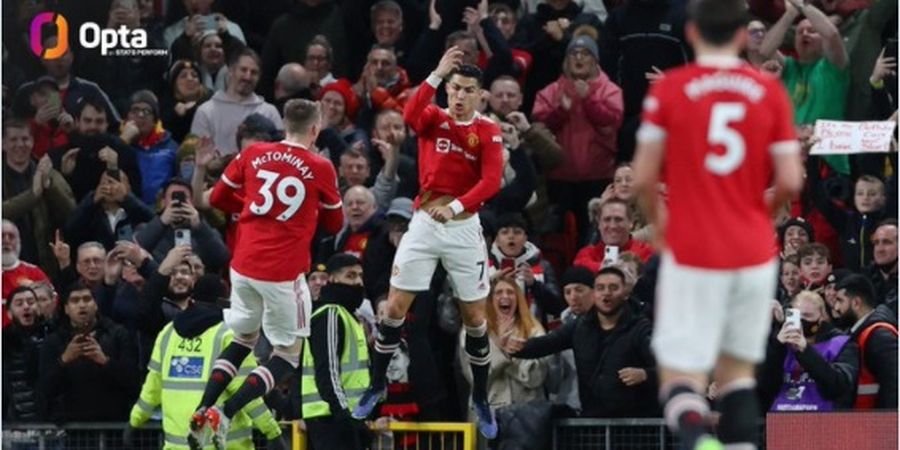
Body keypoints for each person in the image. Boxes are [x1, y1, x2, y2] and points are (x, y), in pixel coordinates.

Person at [631, 0, 804, 448]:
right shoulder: (768, 91)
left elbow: (644, 178)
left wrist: (662, 230)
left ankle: (696, 439)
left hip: (693, 244)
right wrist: (755, 217)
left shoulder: (670, 88)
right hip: (751, 248)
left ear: (691, 32)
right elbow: (790, 178)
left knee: (679, 372)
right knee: (737, 376)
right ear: (745, 35)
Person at [352, 47, 504, 439]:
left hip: (463, 227)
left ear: (479, 95)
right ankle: (376, 384)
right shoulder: (433, 118)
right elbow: (407, 116)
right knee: (394, 310)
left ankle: (482, 398)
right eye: (454, 88)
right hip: (423, 223)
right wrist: (435, 73)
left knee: (475, 319)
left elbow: (490, 182)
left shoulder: (487, 130)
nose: (458, 96)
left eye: (467, 90)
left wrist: (454, 207)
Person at [189, 99, 344, 447]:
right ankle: (226, 412)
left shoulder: (254, 153)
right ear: (315, 129)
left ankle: (203, 407)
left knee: (244, 340)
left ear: (284, 126)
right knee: (287, 355)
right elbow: (335, 223)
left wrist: (251, 208)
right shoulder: (320, 166)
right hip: (283, 271)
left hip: (243, 264)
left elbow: (217, 199)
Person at [128, 274, 284, 450]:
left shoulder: (168, 334)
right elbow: (247, 393)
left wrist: (135, 420)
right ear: (224, 300)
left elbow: (153, 386)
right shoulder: (230, 335)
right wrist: (272, 432)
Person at [507, 266, 658, 418]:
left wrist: (646, 374)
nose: (606, 293)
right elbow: (548, 343)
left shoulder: (640, 327)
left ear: (625, 293)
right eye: (600, 288)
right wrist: (519, 347)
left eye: (613, 288)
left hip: (636, 426)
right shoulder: (580, 326)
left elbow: (668, 368)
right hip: (592, 423)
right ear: (594, 294)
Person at [460, 278, 548, 447]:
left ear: (519, 299)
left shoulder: (534, 330)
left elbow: (536, 377)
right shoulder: (472, 332)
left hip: (527, 418)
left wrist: (511, 355)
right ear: (490, 299)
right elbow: (474, 377)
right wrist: (500, 351)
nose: (505, 296)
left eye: (510, 292)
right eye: (499, 292)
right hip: (488, 417)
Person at [38, 282, 139, 422]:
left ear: (96, 305)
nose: (82, 305)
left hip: (113, 423)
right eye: (75, 301)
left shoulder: (118, 334)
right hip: (71, 426)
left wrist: (105, 361)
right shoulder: (54, 341)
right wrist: (64, 360)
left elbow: (133, 383)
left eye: (87, 299)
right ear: (66, 309)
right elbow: (45, 390)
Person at [301, 254, 370, 450]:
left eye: (360, 275)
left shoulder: (349, 316)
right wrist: (345, 418)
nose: (357, 282)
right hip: (331, 417)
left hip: (346, 415)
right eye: (350, 276)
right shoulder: (330, 314)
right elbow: (327, 373)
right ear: (332, 279)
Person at [761, 291, 858, 411]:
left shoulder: (842, 343)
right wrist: (776, 347)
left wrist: (805, 350)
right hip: (780, 421)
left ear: (822, 316)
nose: (802, 321)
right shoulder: (781, 344)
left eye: (808, 316)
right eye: (798, 316)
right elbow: (764, 388)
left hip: (824, 421)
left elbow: (839, 387)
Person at [2, 119, 76, 277]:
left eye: (25, 139)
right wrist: (33, 195)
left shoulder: (49, 174)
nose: (20, 144)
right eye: (13, 140)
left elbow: (71, 213)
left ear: (32, 142)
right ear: (3, 144)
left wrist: (49, 185)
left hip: (44, 264)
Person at [190, 49, 283, 155]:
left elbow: (279, 154)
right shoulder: (205, 111)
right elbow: (198, 154)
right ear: (231, 71)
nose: (248, 77)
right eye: (243, 70)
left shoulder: (269, 112)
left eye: (254, 72)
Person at [831, 274, 898, 409]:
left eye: (840, 300)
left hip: (877, 423)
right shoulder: (860, 332)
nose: (836, 308)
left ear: (856, 303)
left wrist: (884, 425)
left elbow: (895, 384)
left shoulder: (879, 336)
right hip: (863, 420)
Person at [2, 220, 50, 328]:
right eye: (2, 236)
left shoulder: (33, 271)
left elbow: (52, 302)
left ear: (19, 242)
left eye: (11, 236)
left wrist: (36, 291)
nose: (6, 240)